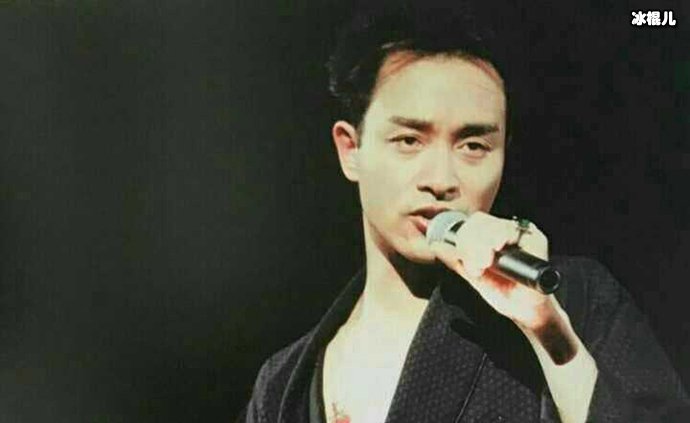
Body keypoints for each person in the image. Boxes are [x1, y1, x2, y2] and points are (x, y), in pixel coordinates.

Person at [238, 3, 690, 422]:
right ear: (350, 149)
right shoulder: (283, 384)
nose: (441, 179)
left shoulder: (573, 300)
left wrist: (552, 336)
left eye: (473, 146)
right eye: (409, 141)